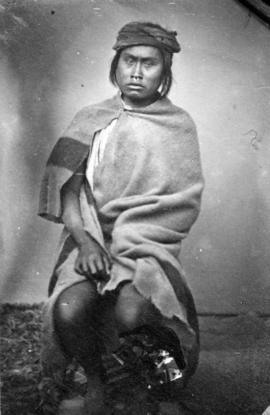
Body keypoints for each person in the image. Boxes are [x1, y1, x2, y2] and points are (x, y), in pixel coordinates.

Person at [38, 21, 204, 415]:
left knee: (135, 310)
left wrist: (133, 239)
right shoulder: (92, 118)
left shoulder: (177, 125)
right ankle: (95, 383)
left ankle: (163, 391)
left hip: (147, 242)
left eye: (149, 63)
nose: (136, 71)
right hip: (91, 237)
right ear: (116, 64)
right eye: (129, 60)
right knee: (69, 309)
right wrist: (85, 241)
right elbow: (70, 188)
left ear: (165, 72)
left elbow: (178, 202)